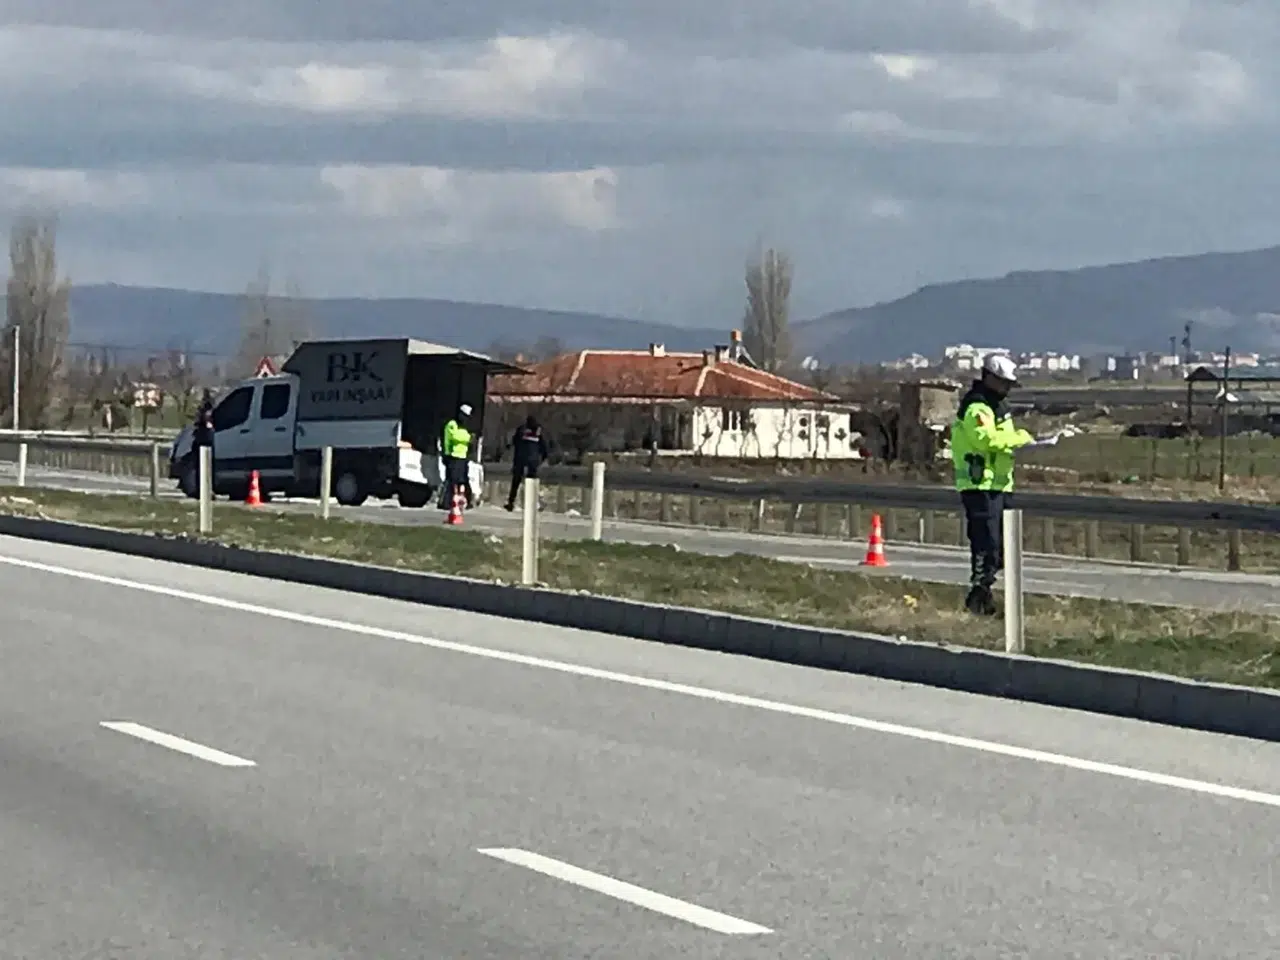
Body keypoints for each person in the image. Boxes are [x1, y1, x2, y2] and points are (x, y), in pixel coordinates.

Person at [950, 354, 1035, 616]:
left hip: (1000, 484)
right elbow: (985, 440)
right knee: (986, 543)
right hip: (979, 484)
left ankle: (983, 594)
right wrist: (1021, 438)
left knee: (1002, 546)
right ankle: (979, 597)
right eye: (1004, 382)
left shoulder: (998, 406)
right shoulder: (977, 406)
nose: (1007, 388)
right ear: (989, 378)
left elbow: (1002, 439)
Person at [505, 414, 550, 511]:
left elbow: (514, 442)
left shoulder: (521, 430)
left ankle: (511, 502)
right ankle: (534, 503)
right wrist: (544, 457)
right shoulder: (538, 431)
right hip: (533, 461)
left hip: (520, 459)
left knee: (516, 482)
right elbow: (543, 445)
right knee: (532, 482)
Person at [441, 404, 474, 510]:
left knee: (464, 479)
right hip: (453, 456)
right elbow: (454, 437)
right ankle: (446, 502)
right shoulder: (452, 424)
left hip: (463, 456)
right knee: (452, 480)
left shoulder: (465, 427)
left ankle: (467, 501)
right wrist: (468, 438)